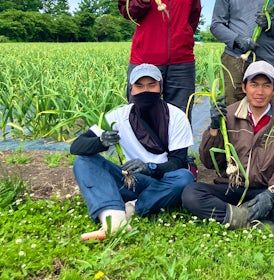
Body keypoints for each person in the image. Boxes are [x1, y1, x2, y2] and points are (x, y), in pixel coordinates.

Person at [181, 61, 274, 230]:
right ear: (244, 87)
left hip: (266, 189)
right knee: (191, 193)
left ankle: (234, 216)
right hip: (230, 187)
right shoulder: (228, 114)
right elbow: (208, 162)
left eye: (266, 85)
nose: (260, 92)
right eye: (254, 84)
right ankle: (256, 220)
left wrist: (272, 192)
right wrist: (214, 129)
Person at [71, 64, 195, 241]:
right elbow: (77, 146)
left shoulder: (176, 116)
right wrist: (101, 142)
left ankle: (130, 210)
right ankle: (114, 220)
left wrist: (150, 168)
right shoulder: (118, 116)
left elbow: (178, 162)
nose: (146, 91)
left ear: (161, 88)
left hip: (160, 182)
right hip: (128, 180)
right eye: (139, 86)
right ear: (131, 89)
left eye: (151, 85)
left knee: (184, 178)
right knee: (83, 161)